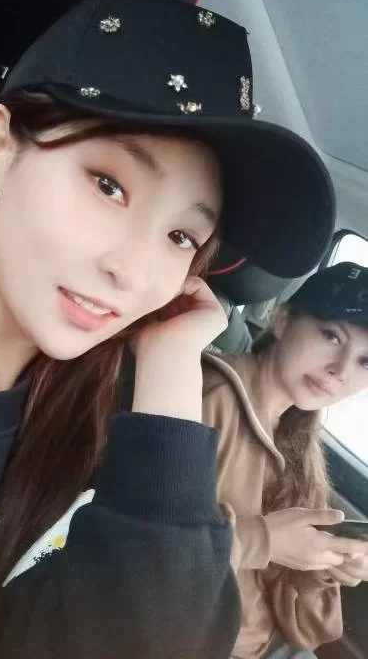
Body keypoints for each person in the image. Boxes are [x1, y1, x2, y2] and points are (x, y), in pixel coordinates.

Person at [0, 0, 335, 659]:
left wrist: (171, 363)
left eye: (181, 237)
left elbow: (148, 641)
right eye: (108, 185)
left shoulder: (75, 402)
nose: (133, 270)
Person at [201, 262, 368, 658]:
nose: (340, 370)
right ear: (282, 320)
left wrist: (324, 563)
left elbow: (283, 587)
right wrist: (264, 540)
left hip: (265, 638)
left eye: (366, 362)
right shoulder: (206, 398)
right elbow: (142, 558)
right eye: (331, 336)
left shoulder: (299, 432)